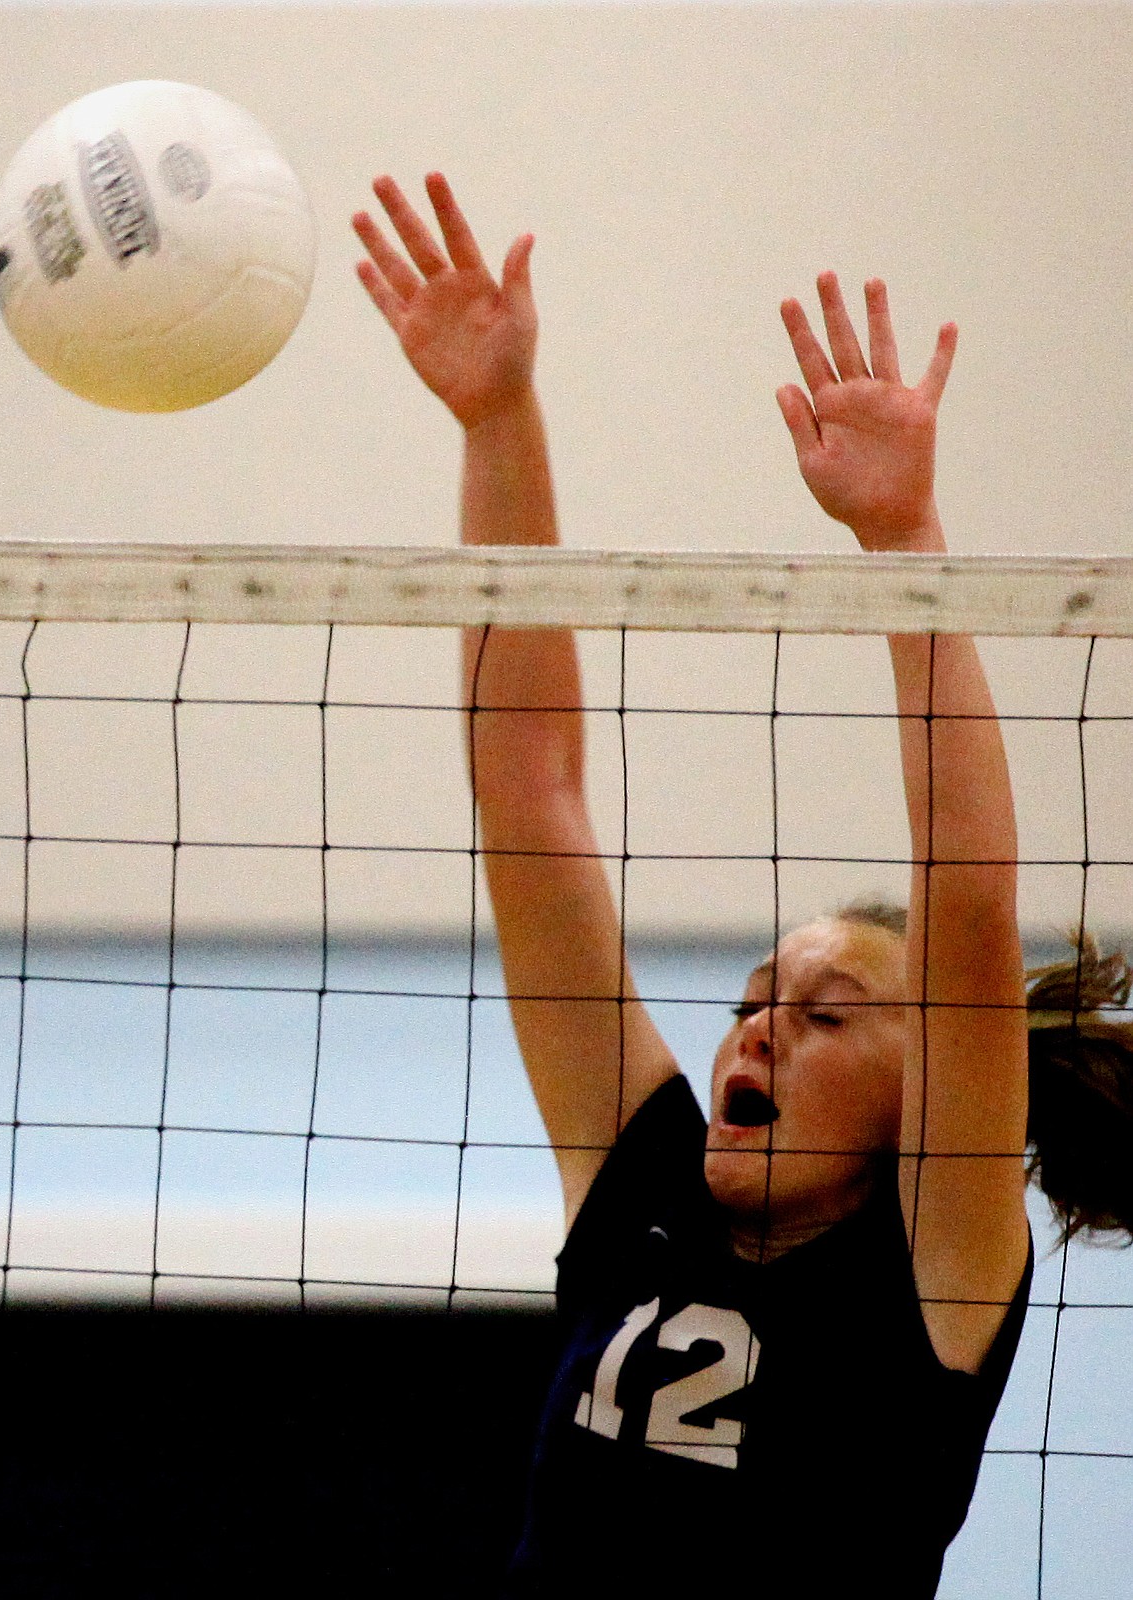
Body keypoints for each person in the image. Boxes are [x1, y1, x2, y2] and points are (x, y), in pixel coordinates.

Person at [352, 174, 1133, 1597]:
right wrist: (496, 422)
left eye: (826, 1018)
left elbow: (965, 896)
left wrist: (902, 555)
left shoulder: (931, 1278)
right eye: (757, 1001)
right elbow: (529, 790)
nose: (756, 1032)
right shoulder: (644, 1184)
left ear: (929, 1098)